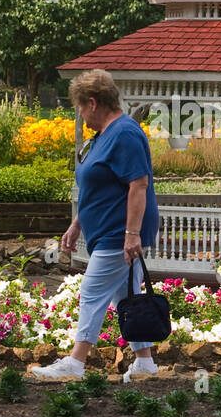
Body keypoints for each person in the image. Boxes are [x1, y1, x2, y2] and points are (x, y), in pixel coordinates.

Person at [31, 70, 162, 381]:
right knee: (125, 295)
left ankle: (75, 362)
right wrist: (77, 224)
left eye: (79, 107)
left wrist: (131, 234)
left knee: (91, 291)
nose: (79, 114)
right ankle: (144, 362)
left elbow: (138, 185)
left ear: (92, 103)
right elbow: (100, 187)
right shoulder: (104, 135)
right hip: (106, 230)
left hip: (120, 233)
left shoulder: (124, 133)